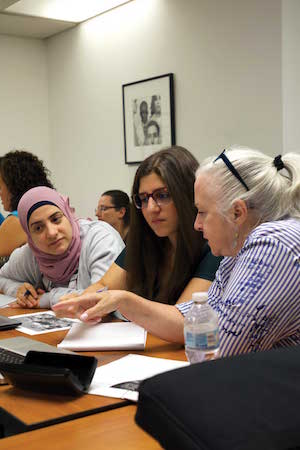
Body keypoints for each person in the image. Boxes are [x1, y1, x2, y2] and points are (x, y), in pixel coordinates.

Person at [54, 147, 300, 354]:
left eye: (202, 212)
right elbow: (193, 320)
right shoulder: (236, 250)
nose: (197, 224)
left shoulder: (271, 244)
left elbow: (220, 348)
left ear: (237, 212)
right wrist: (122, 300)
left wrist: (123, 303)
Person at [53, 146, 222, 341]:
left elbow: (184, 322)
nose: (151, 208)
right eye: (143, 198)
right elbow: (105, 285)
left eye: (163, 195)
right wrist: (81, 301)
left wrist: (123, 301)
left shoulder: (213, 246)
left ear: (188, 194)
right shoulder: (144, 240)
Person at [0, 186, 124, 308]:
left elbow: (103, 299)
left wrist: (47, 298)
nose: (51, 233)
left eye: (55, 219)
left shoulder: (100, 237)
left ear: (67, 215)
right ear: (29, 235)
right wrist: (18, 290)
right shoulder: (32, 253)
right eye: (38, 228)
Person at [0, 150, 53, 266]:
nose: (0, 193)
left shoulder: (17, 221)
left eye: (0, 186)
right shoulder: (49, 208)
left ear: (13, 185)